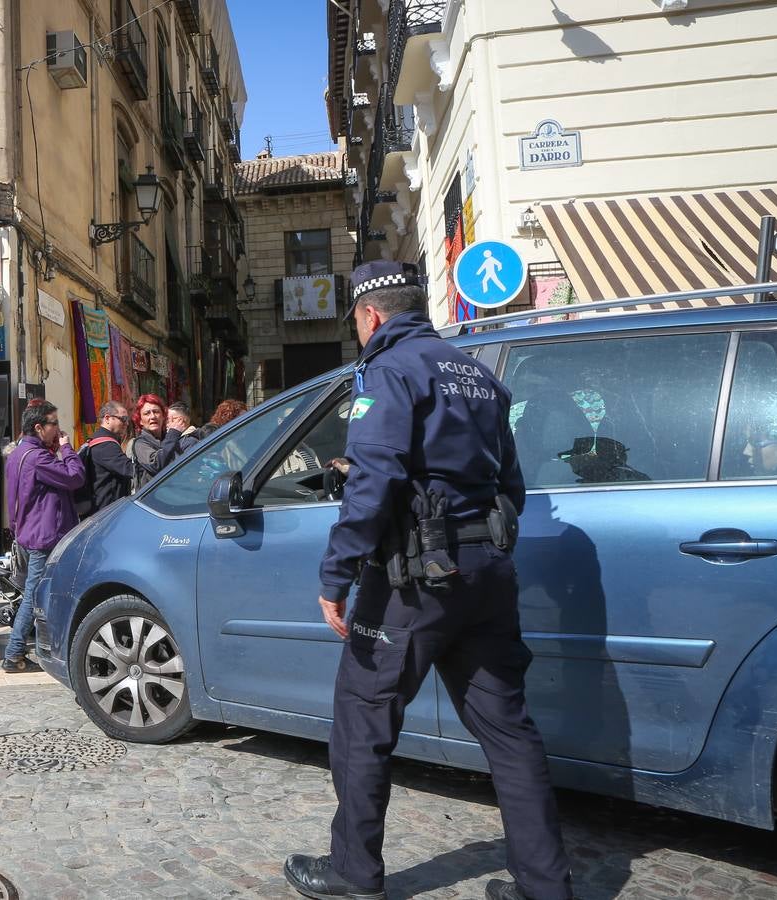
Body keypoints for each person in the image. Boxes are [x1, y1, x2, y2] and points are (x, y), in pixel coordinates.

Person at [284, 261, 573, 900]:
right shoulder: (480, 376)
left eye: (357, 323)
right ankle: (547, 888)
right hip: (487, 575)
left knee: (363, 721)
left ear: (371, 316)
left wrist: (336, 574)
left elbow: (373, 480)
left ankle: (353, 873)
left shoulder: (389, 369)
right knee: (509, 731)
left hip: (413, 583)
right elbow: (512, 488)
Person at [2, 401, 84, 673]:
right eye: (54, 424)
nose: (58, 430)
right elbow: (74, 477)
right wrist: (67, 449)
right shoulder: (38, 458)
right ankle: (13, 653)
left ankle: (42, 648)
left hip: (28, 534)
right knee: (34, 596)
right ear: (39, 427)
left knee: (38, 593)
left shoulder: (17, 454)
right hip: (43, 537)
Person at [76, 400, 134, 517]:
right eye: (123, 419)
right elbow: (130, 470)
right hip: (104, 513)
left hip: (97, 510)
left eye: (127, 420)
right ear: (107, 418)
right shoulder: (106, 445)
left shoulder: (96, 440)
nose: (126, 424)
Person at [130, 394, 183, 487]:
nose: (153, 416)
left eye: (156, 412)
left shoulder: (170, 437)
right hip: (151, 499)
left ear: (163, 416)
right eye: (147, 413)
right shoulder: (140, 443)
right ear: (140, 421)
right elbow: (156, 465)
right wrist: (172, 435)